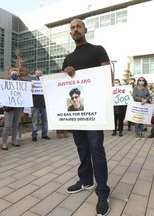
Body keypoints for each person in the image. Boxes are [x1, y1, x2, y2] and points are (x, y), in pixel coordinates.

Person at [62, 18, 110, 216]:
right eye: (72, 28)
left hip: (95, 112)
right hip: (76, 113)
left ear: (85, 30)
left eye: (78, 26)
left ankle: (102, 192)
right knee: (81, 147)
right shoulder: (68, 58)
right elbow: (63, 86)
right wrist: (65, 73)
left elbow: (106, 74)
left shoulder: (98, 50)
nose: (75, 30)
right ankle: (86, 180)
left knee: (96, 149)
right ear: (71, 33)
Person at [1, 68, 24, 150]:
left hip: (18, 107)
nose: (14, 75)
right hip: (9, 108)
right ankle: (4, 142)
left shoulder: (21, 85)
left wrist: (29, 90)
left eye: (16, 73)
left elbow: (24, 97)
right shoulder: (5, 84)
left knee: (15, 125)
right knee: (8, 125)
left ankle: (14, 140)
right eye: (13, 73)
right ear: (10, 75)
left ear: (18, 75)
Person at [31, 69, 50, 141]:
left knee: (45, 121)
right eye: (37, 74)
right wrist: (31, 88)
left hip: (44, 105)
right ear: (35, 74)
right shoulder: (31, 83)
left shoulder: (45, 82)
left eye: (40, 73)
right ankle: (34, 135)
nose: (39, 75)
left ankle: (44, 134)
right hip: (35, 105)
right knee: (34, 121)